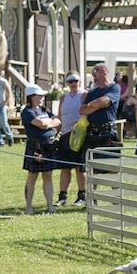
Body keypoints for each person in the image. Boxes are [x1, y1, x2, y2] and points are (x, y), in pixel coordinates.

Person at [20, 86, 62, 213]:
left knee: (48, 175)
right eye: (39, 95)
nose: (42, 98)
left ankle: (50, 206)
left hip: (48, 145)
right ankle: (29, 207)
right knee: (32, 176)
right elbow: (40, 124)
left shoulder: (44, 110)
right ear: (31, 96)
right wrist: (48, 123)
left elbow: (58, 121)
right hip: (35, 146)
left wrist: (47, 124)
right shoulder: (27, 111)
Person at [54, 72, 87, 207]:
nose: (73, 84)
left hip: (79, 135)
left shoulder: (84, 95)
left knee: (80, 168)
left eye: (75, 81)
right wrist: (55, 133)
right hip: (66, 135)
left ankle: (82, 195)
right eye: (70, 81)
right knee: (65, 168)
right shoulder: (63, 98)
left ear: (80, 81)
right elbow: (59, 117)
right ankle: (62, 196)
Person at [79, 62, 123, 155]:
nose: (93, 73)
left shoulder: (114, 87)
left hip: (108, 131)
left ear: (105, 71)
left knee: (111, 166)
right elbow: (82, 110)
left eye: (96, 70)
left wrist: (90, 105)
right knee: (91, 166)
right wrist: (98, 105)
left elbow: (104, 101)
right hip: (92, 132)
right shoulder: (91, 92)